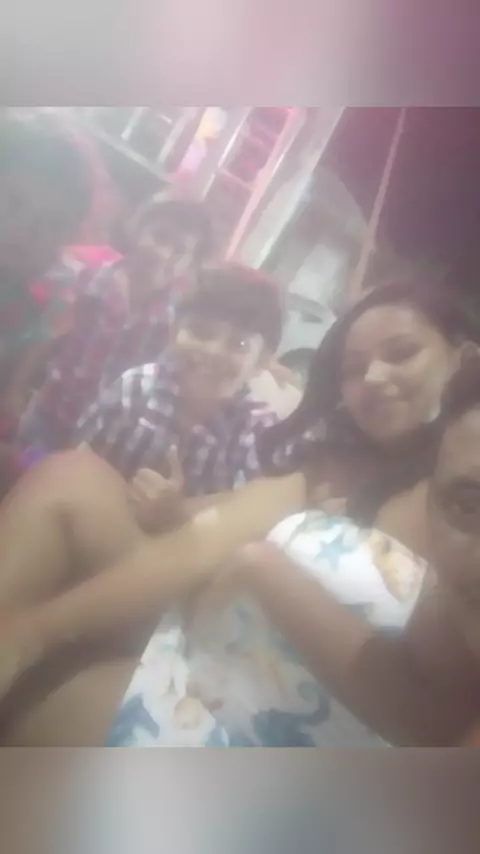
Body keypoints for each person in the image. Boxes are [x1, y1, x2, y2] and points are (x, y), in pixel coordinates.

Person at [0, 276, 477, 744]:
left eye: (402, 353)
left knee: (44, 680)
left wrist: (262, 570)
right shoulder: (339, 465)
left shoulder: (458, 515)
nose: (373, 377)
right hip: (201, 640)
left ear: (465, 357)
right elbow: (208, 534)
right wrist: (178, 509)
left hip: (264, 723)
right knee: (73, 477)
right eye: (353, 368)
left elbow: (436, 720)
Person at [75, 267, 282, 514]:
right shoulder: (135, 389)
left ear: (260, 362)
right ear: (173, 333)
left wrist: (178, 513)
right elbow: (77, 468)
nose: (214, 351)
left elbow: (253, 519)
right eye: (201, 332)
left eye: (239, 343)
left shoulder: (259, 432)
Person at [18, 196, 213, 455]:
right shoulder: (88, 279)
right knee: (22, 472)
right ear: (138, 230)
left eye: (180, 251)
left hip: (104, 441)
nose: (164, 254)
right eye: (160, 237)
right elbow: (47, 336)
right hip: (49, 416)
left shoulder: (174, 323)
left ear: (190, 266)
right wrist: (15, 390)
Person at [0, 116, 93, 488]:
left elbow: (12, 398)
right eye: (13, 203)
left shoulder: (39, 300)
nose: (25, 230)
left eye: (51, 224)